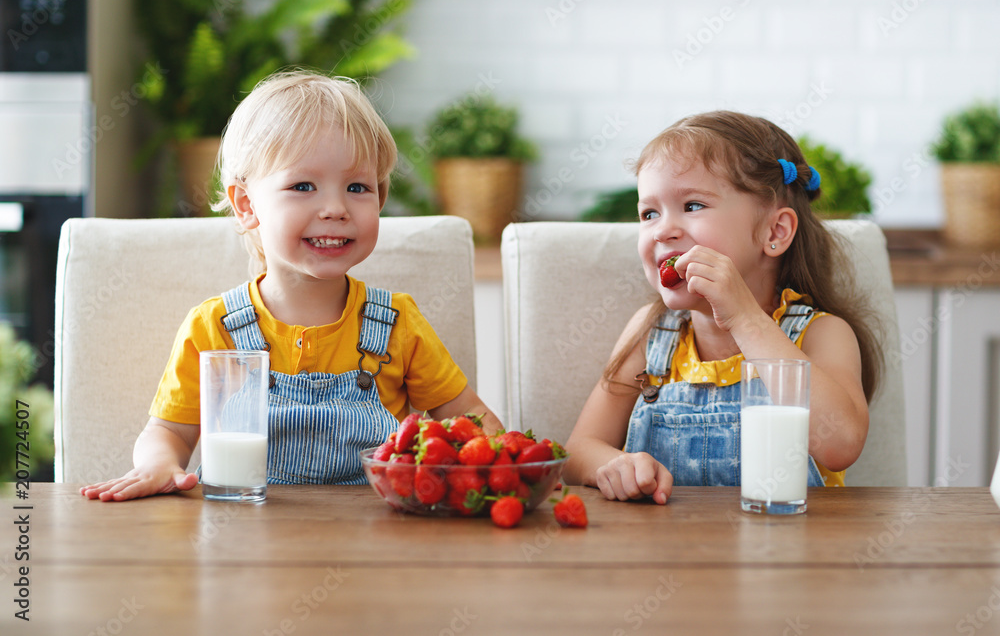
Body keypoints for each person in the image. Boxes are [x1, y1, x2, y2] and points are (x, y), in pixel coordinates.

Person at [81, 70, 501, 502]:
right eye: (303, 186)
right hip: (245, 543)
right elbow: (169, 431)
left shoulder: (397, 324)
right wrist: (158, 463)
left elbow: (468, 417)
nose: (336, 208)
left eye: (358, 187)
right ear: (246, 205)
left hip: (370, 549)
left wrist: (500, 463)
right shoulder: (214, 327)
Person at [563, 111, 883, 504]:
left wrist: (745, 318)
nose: (663, 230)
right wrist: (613, 465)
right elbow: (578, 450)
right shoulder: (651, 334)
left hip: (793, 554)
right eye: (649, 213)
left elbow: (841, 443)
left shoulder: (821, 334)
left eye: (693, 206)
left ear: (775, 232)